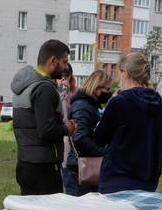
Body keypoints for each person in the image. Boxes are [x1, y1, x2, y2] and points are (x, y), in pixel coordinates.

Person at [93, 52, 162, 194]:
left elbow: (99, 138)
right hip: (148, 180)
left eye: (119, 72)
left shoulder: (119, 102)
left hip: (117, 180)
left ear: (125, 73)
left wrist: (107, 110)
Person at [10, 39, 76, 195]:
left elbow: (33, 122)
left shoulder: (25, 86)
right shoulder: (44, 89)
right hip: (43, 167)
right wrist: (67, 128)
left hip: (25, 163)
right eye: (64, 62)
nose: (66, 67)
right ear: (53, 61)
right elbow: (46, 131)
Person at [66, 70, 112, 195]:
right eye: (107, 89)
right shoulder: (82, 105)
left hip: (84, 166)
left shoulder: (90, 105)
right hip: (80, 169)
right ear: (97, 88)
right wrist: (103, 153)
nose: (109, 93)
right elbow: (80, 138)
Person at [57, 64, 78, 193]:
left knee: (72, 186)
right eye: (60, 78)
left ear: (69, 77)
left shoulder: (76, 95)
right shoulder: (61, 94)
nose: (61, 82)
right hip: (64, 144)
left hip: (73, 144)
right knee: (67, 181)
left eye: (64, 78)